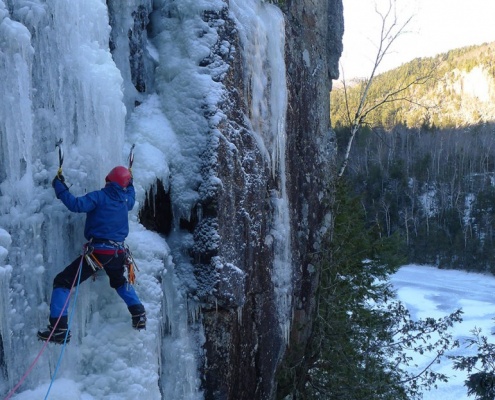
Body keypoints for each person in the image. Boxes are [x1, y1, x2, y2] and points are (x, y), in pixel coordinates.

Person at [37, 166, 146, 344]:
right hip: (118, 253)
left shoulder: (99, 196)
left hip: (99, 253)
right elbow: (132, 195)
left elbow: (76, 205)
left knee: (62, 281)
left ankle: (58, 329)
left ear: (108, 180)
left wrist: (59, 186)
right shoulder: (126, 199)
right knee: (119, 281)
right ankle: (139, 314)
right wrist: (130, 182)